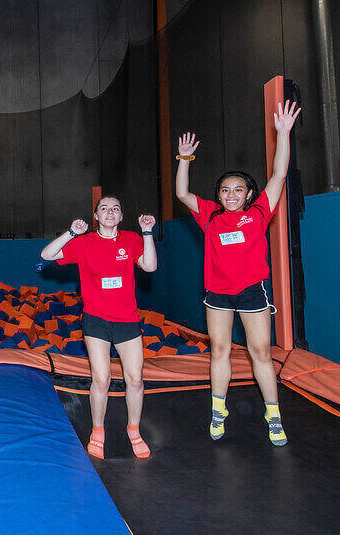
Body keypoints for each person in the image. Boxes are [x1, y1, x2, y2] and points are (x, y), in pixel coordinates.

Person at [174, 100, 300, 447]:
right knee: (220, 350)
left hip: (251, 292)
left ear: (248, 195)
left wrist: (283, 134)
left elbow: (278, 175)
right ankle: (219, 410)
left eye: (238, 190)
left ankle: (273, 414)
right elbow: (182, 193)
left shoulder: (259, 212)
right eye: (225, 190)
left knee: (260, 352)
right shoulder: (210, 215)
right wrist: (184, 159)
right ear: (219, 195)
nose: (231, 195)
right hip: (217, 294)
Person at [41, 198, 158, 459]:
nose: (110, 212)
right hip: (96, 319)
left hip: (127, 319)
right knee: (101, 379)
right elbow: (47, 255)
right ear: (95, 215)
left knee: (135, 379)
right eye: (104, 208)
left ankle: (134, 429)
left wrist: (147, 233)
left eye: (116, 208)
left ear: (121, 216)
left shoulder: (131, 239)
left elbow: (150, 266)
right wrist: (72, 232)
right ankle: (98, 430)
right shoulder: (84, 243)